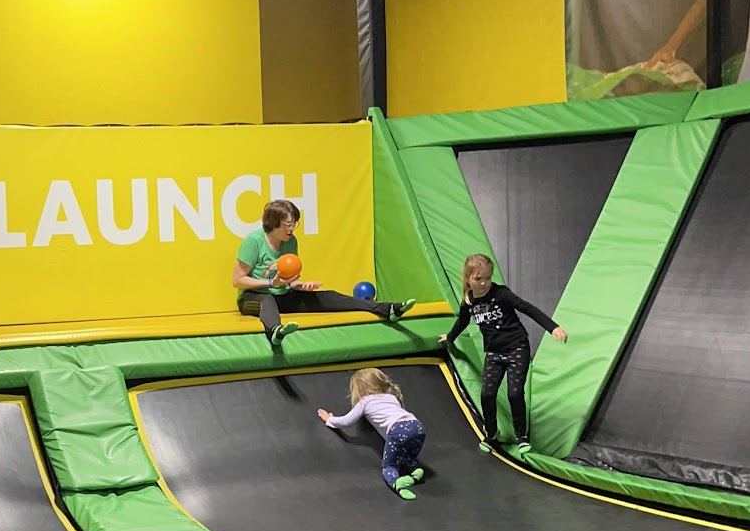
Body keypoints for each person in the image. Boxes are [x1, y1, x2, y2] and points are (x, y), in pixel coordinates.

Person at [232, 200, 415, 347]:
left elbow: (289, 281)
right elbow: (237, 280)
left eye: (294, 224)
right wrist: (271, 284)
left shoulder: (291, 241)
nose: (292, 229)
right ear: (274, 224)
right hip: (252, 298)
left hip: (282, 295)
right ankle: (275, 332)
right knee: (267, 300)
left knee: (328, 297)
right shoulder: (254, 242)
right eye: (288, 224)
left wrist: (300, 285)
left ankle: (387, 309)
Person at [437, 252, 566, 455]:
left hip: (517, 348)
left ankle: (521, 435)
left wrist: (553, 327)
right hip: (494, 353)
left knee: (515, 393)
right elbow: (462, 321)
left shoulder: (501, 294)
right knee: (487, 394)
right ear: (468, 279)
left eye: (488, 278)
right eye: (478, 279)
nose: (484, 283)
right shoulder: (469, 301)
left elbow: (528, 308)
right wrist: (450, 337)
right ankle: (491, 432)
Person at [318, 367, 427, 499]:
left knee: (389, 466)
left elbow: (346, 421)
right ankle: (416, 471)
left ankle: (398, 485)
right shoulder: (391, 397)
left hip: (398, 431)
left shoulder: (365, 402)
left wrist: (329, 419)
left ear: (359, 389)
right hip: (417, 427)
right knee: (405, 455)